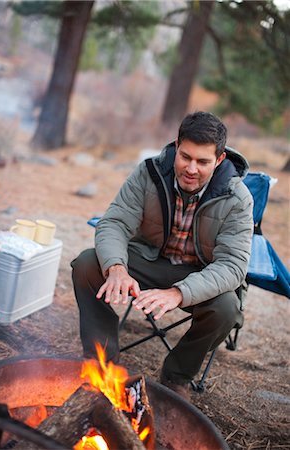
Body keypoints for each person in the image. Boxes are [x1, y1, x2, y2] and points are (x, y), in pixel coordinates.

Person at [71, 111, 254, 396]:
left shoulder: (237, 198)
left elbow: (232, 266)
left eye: (202, 162)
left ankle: (176, 376)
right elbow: (115, 223)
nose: (191, 169)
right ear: (176, 146)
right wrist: (117, 267)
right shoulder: (149, 173)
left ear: (219, 160)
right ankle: (101, 363)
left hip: (197, 273)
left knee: (227, 308)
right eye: (186, 157)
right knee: (87, 263)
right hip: (148, 260)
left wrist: (179, 293)